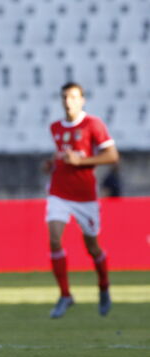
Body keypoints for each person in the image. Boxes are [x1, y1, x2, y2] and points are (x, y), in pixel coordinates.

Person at [41, 82, 119, 319]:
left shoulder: (93, 124)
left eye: (73, 97)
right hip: (59, 193)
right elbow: (63, 156)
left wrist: (80, 162)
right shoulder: (55, 127)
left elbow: (112, 156)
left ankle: (104, 287)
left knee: (92, 247)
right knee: (54, 240)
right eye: (65, 97)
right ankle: (65, 295)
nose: (68, 101)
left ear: (82, 100)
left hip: (85, 197)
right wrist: (52, 164)